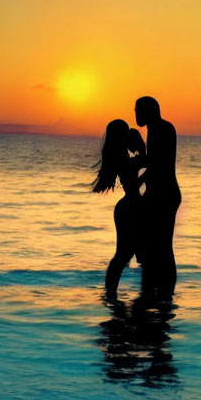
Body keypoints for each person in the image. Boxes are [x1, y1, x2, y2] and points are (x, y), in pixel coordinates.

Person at [91, 119, 147, 296]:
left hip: (131, 207)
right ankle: (110, 292)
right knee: (123, 255)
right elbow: (143, 168)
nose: (129, 132)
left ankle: (111, 293)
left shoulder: (122, 156)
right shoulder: (120, 159)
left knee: (132, 254)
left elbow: (143, 162)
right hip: (130, 208)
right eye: (125, 130)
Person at [134, 96, 181, 296]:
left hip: (164, 194)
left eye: (137, 110)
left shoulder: (159, 129)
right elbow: (153, 161)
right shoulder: (158, 128)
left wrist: (137, 181)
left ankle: (164, 292)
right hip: (160, 193)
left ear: (148, 111)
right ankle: (159, 291)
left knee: (162, 246)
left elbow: (158, 164)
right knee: (155, 247)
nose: (135, 114)